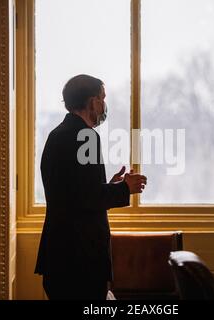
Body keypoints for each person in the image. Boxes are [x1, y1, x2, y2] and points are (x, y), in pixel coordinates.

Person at [35, 74, 147, 300]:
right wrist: (126, 188)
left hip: (59, 254)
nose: (104, 105)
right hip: (80, 258)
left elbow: (75, 192)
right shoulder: (86, 137)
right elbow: (90, 198)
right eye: (102, 98)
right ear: (92, 102)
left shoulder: (58, 134)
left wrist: (111, 185)